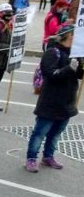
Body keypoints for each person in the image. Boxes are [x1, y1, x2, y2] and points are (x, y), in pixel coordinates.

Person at [25, 24, 82, 172]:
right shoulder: (52, 52)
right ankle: (31, 158)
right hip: (50, 101)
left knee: (56, 133)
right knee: (39, 133)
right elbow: (50, 74)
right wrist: (69, 68)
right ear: (65, 37)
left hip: (67, 102)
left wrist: (80, 66)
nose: (76, 38)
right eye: (73, 35)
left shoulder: (75, 54)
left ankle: (48, 156)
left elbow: (79, 76)